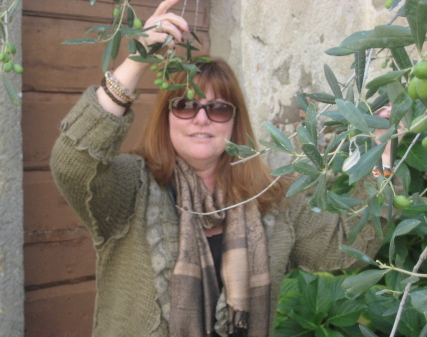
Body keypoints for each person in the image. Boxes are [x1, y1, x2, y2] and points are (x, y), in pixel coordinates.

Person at [50, 1, 395, 336]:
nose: (201, 118)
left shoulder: (272, 199)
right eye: (185, 105)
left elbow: (348, 243)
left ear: (234, 121)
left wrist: (381, 151)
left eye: (217, 108)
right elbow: (73, 163)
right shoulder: (131, 188)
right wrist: (137, 59)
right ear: (165, 117)